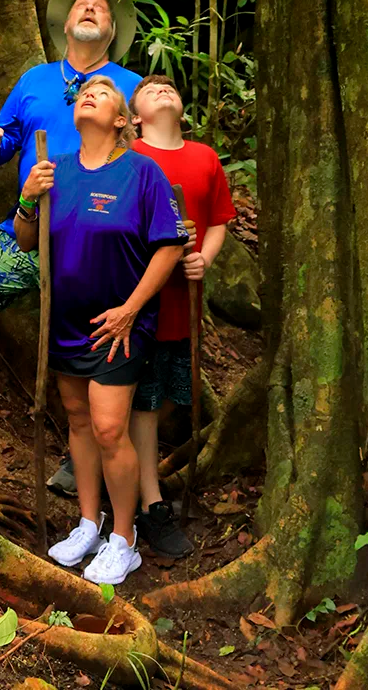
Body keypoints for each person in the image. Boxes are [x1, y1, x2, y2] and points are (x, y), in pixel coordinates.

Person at [0, 0, 140, 442]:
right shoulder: (34, 80)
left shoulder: (131, 87)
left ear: (112, 29)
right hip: (26, 228)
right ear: (64, 24)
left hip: (97, 241)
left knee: (94, 345)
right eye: (81, 5)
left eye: (99, 8)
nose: (88, 9)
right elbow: (6, 142)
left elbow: (148, 160)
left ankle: (80, 454)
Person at [14, 76, 187, 585]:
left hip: (120, 326)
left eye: (104, 92)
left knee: (111, 428)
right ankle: (90, 523)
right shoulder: (56, 170)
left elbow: (171, 245)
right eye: (85, 90)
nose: (90, 92)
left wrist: (132, 309)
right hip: (66, 322)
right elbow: (26, 239)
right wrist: (27, 197)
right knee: (79, 423)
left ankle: (125, 539)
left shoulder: (141, 172)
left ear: (120, 120)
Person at [129, 74, 237, 557]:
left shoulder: (205, 158)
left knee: (173, 395)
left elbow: (217, 219)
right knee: (144, 402)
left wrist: (204, 259)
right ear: (134, 117)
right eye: (150, 90)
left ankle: (137, 474)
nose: (164, 90)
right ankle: (149, 503)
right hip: (141, 301)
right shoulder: (129, 157)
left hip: (183, 305)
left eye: (170, 87)